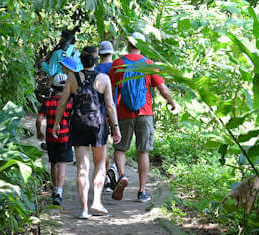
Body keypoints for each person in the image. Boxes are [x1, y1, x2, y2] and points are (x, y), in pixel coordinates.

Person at [53, 48, 122, 219]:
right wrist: (116, 127)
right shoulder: (104, 79)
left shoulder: (72, 78)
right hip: (98, 126)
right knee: (100, 165)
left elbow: (62, 103)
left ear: (81, 61)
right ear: (96, 61)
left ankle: (84, 209)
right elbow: (110, 106)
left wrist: (56, 124)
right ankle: (96, 202)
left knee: (82, 168)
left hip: (78, 125)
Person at [109, 32, 177, 202]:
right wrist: (171, 102)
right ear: (142, 44)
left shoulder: (117, 64)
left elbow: (108, 92)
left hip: (123, 112)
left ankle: (123, 175)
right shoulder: (148, 64)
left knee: (120, 148)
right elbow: (163, 89)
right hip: (144, 113)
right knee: (143, 151)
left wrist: (108, 113)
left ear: (128, 44)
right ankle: (141, 192)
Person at [36, 73, 73, 206]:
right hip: (65, 137)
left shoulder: (48, 102)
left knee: (53, 163)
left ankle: (55, 188)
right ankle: (59, 192)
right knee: (61, 164)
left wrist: (39, 131)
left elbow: (39, 119)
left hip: (51, 138)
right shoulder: (69, 102)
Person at [95, 40, 119, 192]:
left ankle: (105, 179)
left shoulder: (96, 69)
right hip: (117, 111)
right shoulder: (117, 68)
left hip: (101, 112)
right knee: (119, 146)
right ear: (112, 52)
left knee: (104, 146)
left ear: (99, 54)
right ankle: (115, 170)